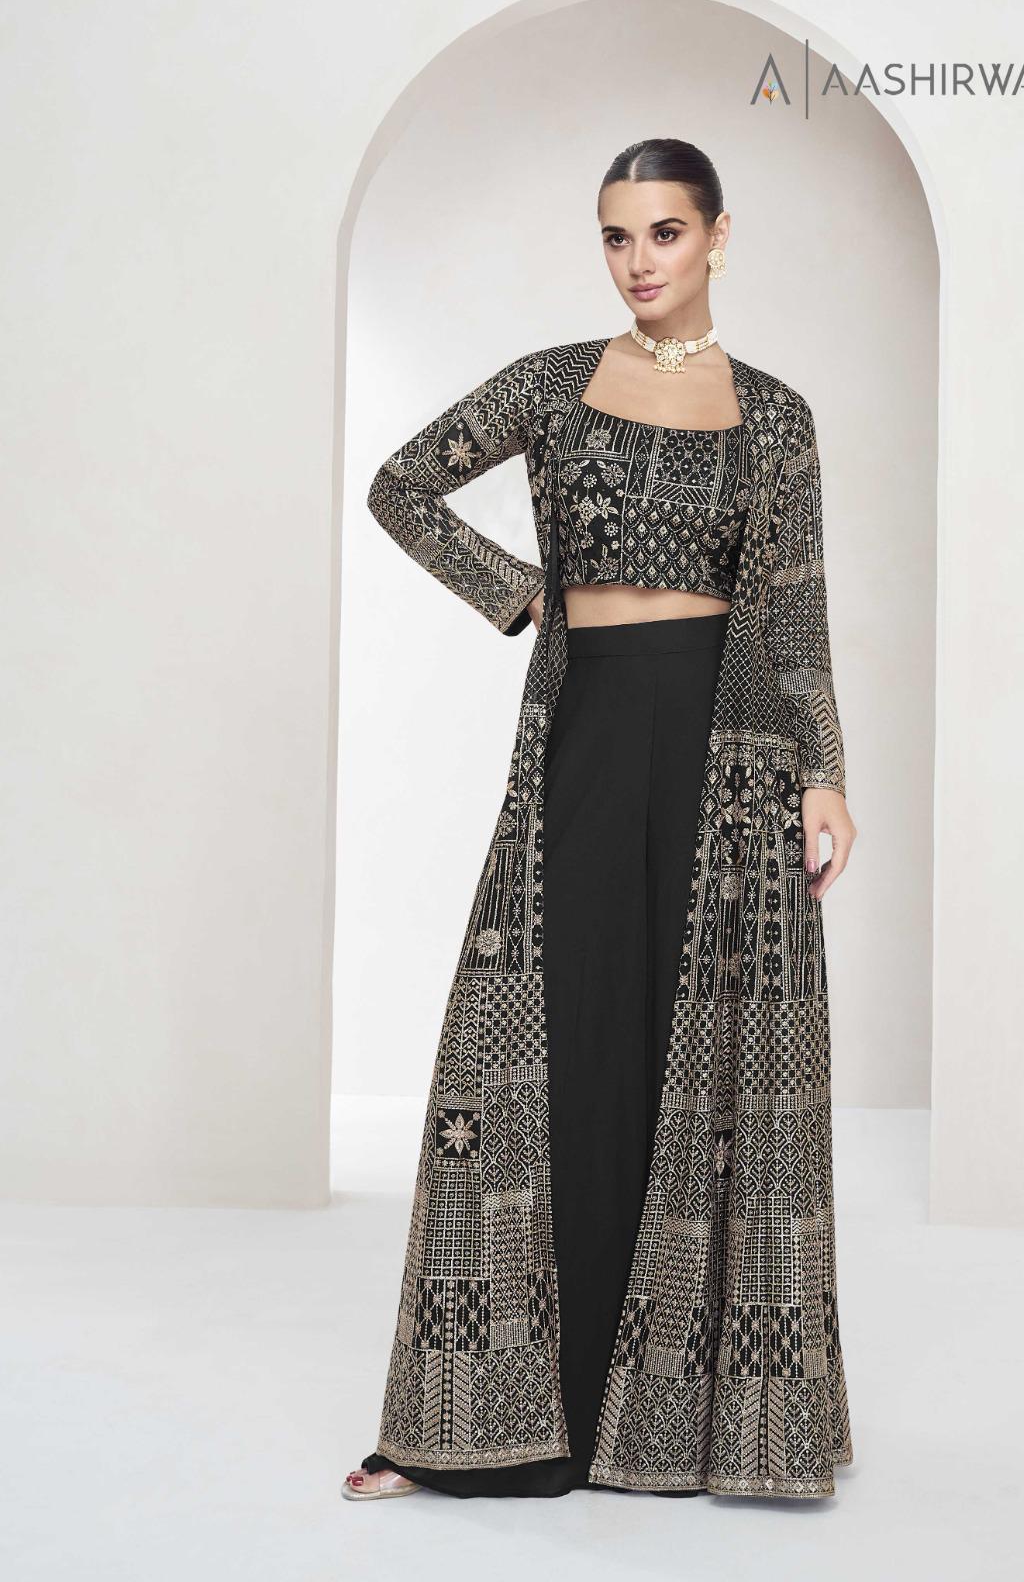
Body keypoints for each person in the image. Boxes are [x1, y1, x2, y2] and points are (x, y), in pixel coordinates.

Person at [342, 137, 857, 1504]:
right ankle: (492, 1421)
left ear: (717, 236)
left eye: (665, 233)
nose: (639, 261)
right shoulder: (552, 384)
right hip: (586, 725)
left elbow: (792, 607)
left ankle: (677, 1427)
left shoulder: (775, 415)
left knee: (696, 1053)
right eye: (617, 236)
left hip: (727, 750)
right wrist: (521, 594)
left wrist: (823, 772)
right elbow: (399, 484)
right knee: (546, 1039)